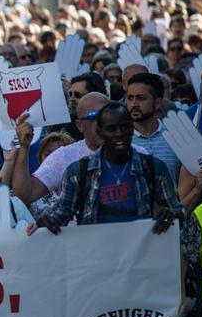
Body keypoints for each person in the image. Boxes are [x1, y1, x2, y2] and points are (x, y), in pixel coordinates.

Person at [37, 103, 183, 233]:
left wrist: (173, 214)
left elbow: (180, 211)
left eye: (124, 127)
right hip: (96, 257)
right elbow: (62, 215)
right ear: (100, 132)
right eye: (111, 129)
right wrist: (43, 225)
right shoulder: (78, 172)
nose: (119, 134)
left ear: (132, 129)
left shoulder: (153, 168)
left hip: (140, 256)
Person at [12, 92, 146, 205]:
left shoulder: (140, 154)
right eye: (93, 117)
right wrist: (24, 148)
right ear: (80, 125)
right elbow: (25, 196)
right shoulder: (64, 158)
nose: (102, 122)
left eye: (106, 115)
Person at [126, 72, 181, 182]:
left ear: (157, 103)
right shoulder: (121, 138)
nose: (134, 104)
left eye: (140, 98)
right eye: (130, 98)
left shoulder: (175, 136)